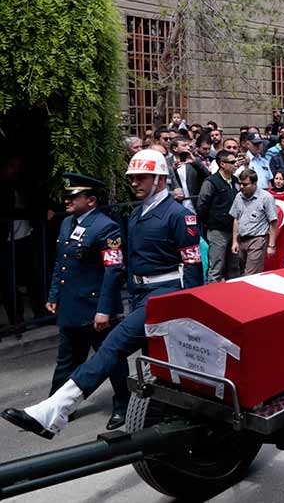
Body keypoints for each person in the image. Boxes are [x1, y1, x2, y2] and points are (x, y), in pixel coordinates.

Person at [3, 149, 203, 439]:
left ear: (160, 178)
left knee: (112, 345)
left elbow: (192, 264)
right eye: (132, 178)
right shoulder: (136, 214)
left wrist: (191, 307)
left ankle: (56, 408)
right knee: (152, 360)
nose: (134, 183)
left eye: (141, 177)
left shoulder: (178, 215)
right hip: (139, 294)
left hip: (165, 294)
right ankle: (160, 414)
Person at [43, 174, 130, 431]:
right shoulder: (67, 223)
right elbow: (62, 262)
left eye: (73, 196)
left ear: (91, 200)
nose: (67, 200)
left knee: (111, 359)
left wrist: (104, 309)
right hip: (72, 305)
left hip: (96, 308)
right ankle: (56, 407)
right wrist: (53, 296)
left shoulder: (106, 227)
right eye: (67, 196)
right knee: (67, 359)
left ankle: (123, 404)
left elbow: (113, 271)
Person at [196, 149, 239, 283]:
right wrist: (211, 222)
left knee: (234, 266)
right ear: (222, 164)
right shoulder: (211, 182)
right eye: (232, 162)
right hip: (217, 231)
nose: (235, 164)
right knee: (216, 266)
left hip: (234, 230)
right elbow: (201, 205)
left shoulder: (235, 180)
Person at [230, 169, 278, 276]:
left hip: (258, 239)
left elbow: (273, 222)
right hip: (242, 239)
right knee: (241, 273)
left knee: (251, 275)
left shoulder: (266, 197)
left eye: (245, 184)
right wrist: (235, 241)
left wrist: (271, 245)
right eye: (240, 184)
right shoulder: (238, 196)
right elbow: (236, 219)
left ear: (254, 184)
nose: (241, 187)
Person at [264, 170, 284, 272]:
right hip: (266, 234)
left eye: (281, 179)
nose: (278, 181)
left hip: (283, 236)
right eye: (276, 178)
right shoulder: (266, 195)